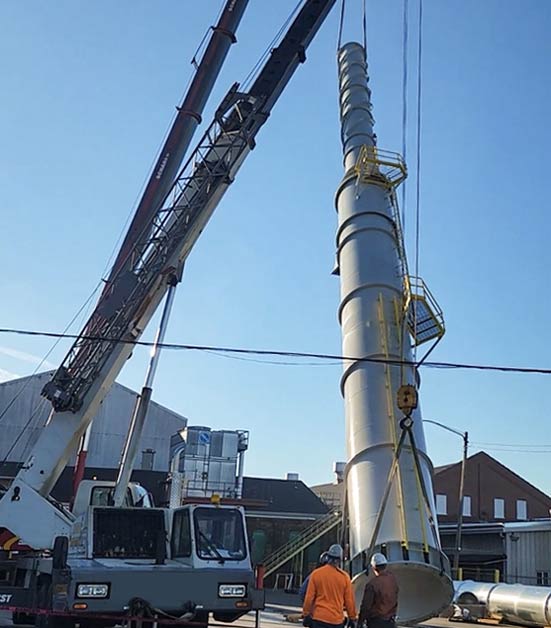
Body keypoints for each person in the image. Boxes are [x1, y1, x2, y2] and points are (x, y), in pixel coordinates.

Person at [303, 544, 357, 628]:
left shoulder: (316, 574)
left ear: (327, 557)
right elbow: (349, 601)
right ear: (340, 559)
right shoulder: (344, 577)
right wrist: (352, 617)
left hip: (319, 618)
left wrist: (306, 614)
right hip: (336, 620)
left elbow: (309, 597)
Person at [358, 553, 399, 628]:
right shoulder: (392, 579)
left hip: (376, 623)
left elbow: (366, 606)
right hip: (390, 622)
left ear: (373, 567)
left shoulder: (372, 584)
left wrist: (360, 621)